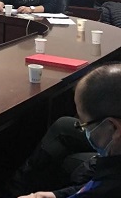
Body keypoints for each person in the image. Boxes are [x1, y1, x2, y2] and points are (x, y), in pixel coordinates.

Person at [19, 64, 121, 198]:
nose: (84, 129)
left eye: (85, 124)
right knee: (64, 127)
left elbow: (99, 187)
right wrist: (55, 195)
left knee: (72, 165)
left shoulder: (108, 186)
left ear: (113, 127)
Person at [6, 116, 96, 196]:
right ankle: (16, 188)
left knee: (68, 161)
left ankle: (42, 189)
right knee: (62, 126)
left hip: (102, 168)